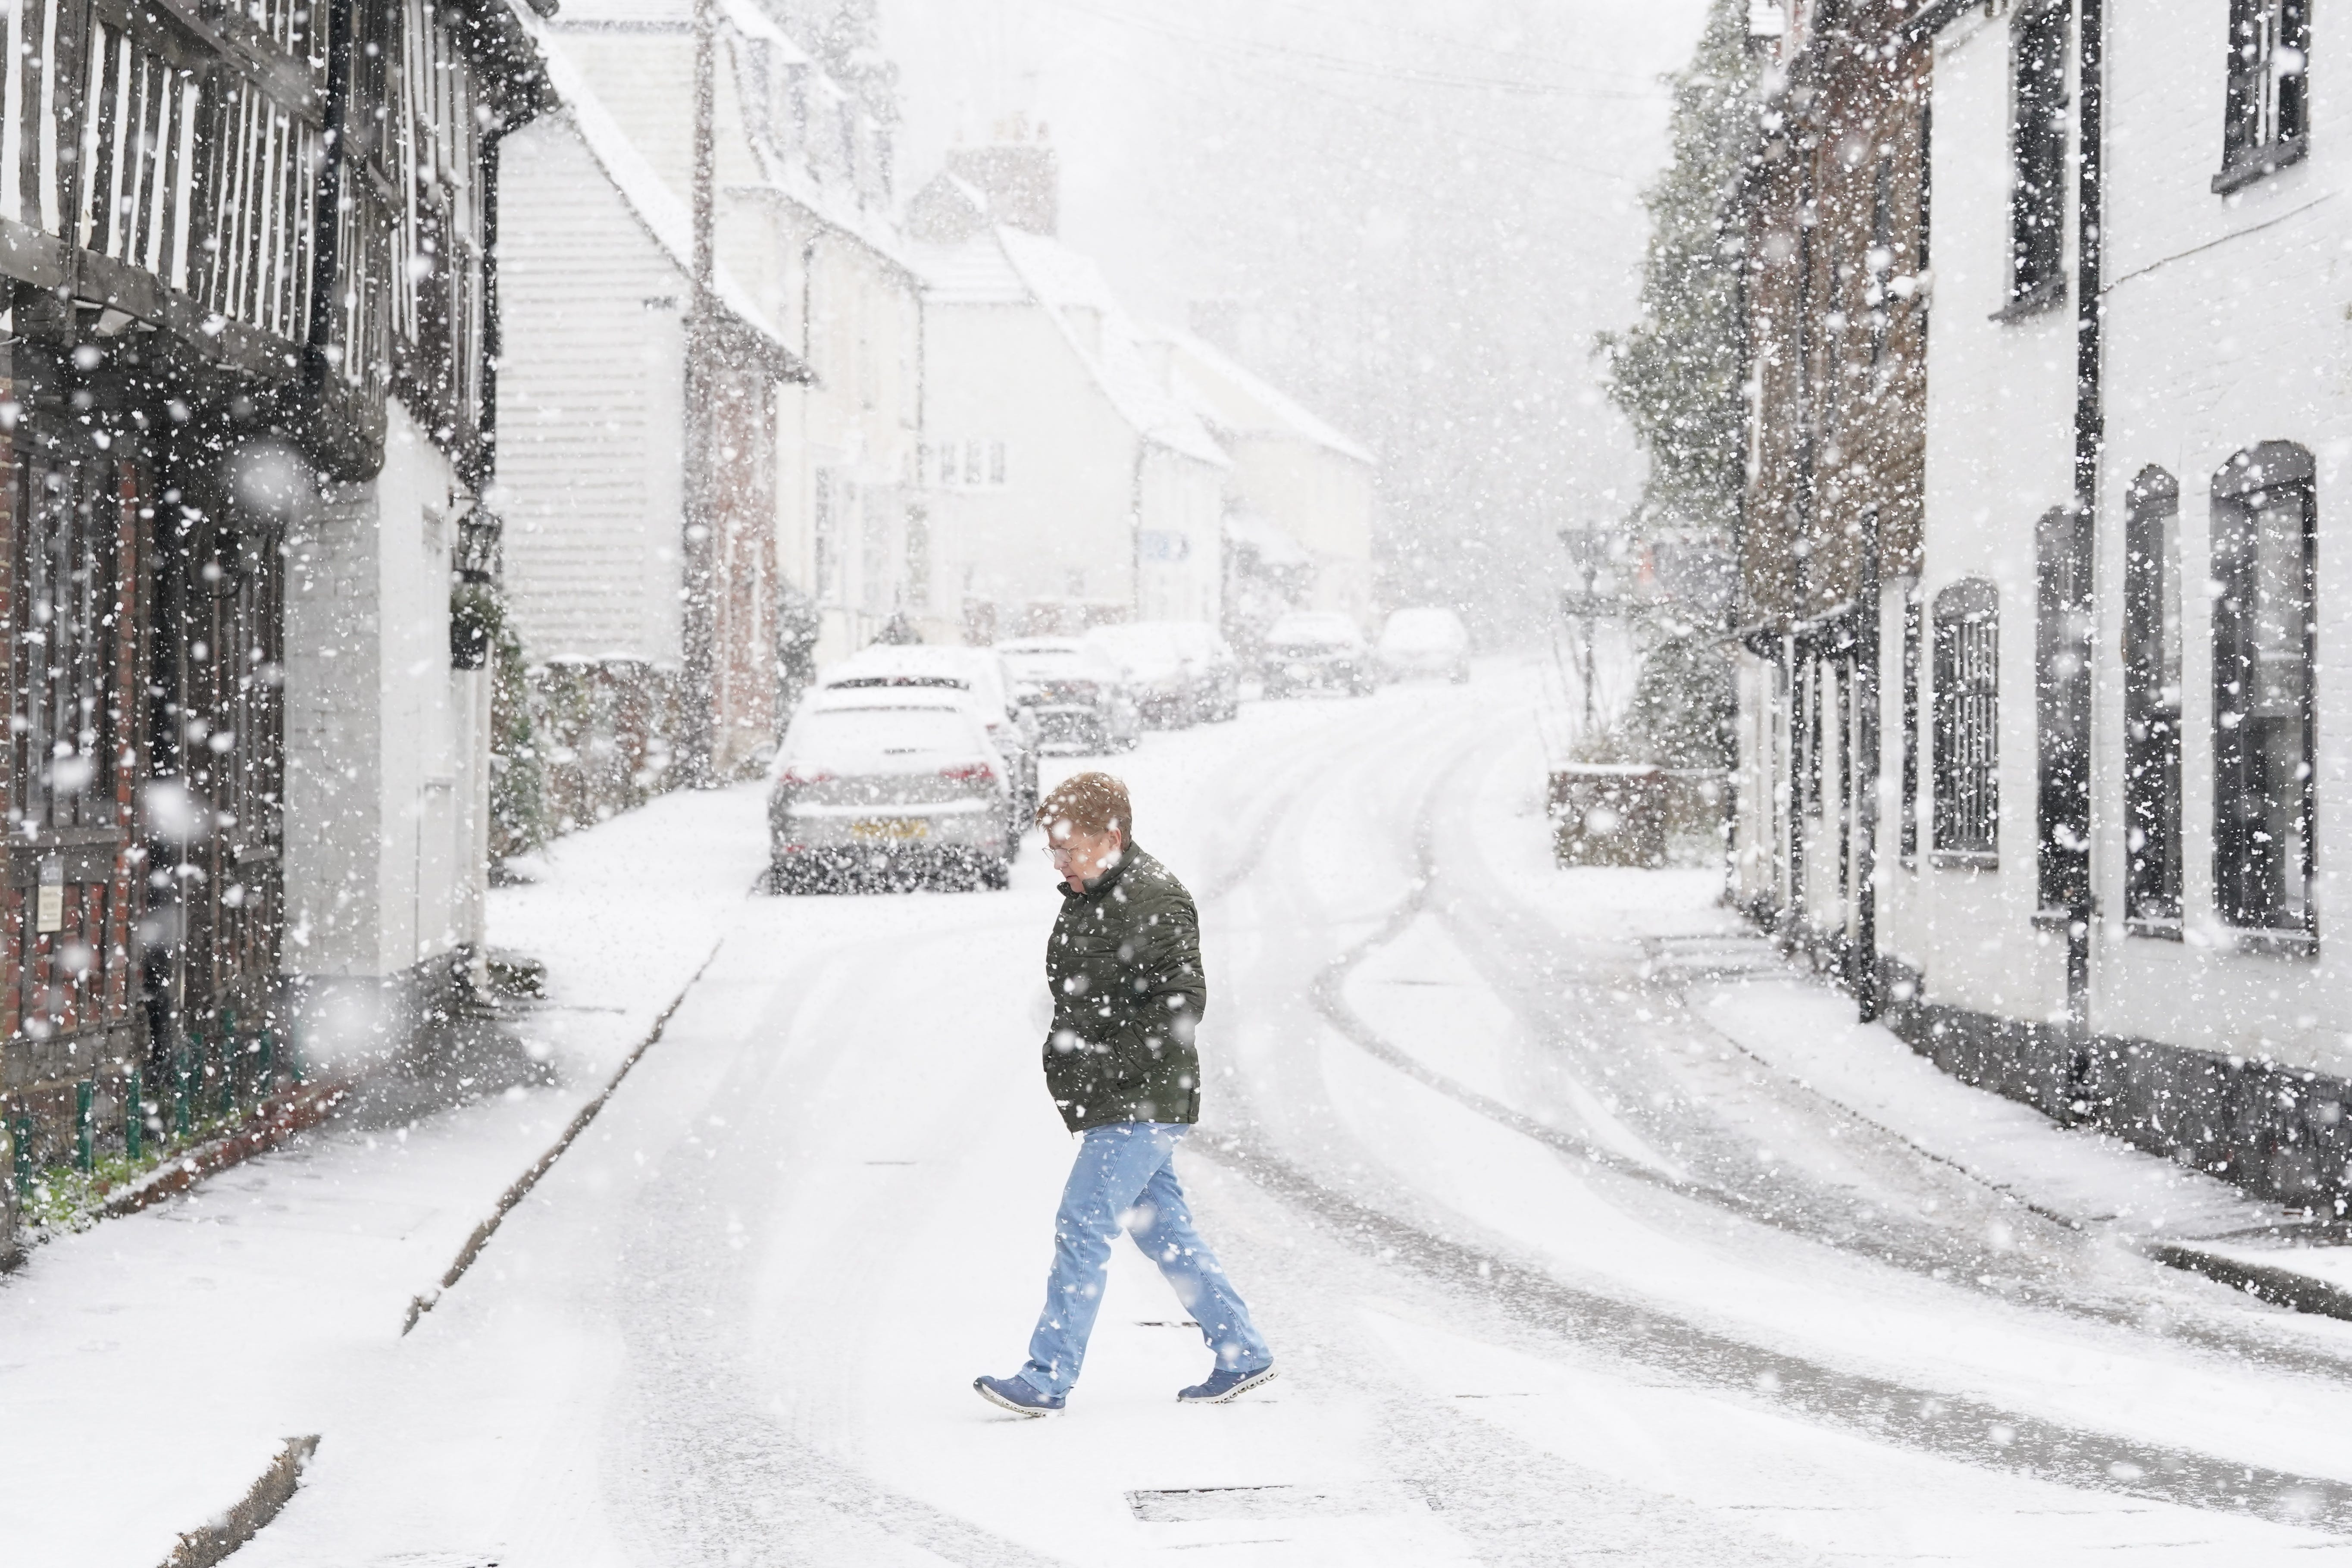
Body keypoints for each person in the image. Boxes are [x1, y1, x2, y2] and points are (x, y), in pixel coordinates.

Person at [975, 772, 1276, 1415]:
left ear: (1112, 837)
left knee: (1082, 1222)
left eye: (1070, 849)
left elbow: (1181, 1004)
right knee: (1164, 1229)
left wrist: (1107, 1063)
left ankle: (1048, 1375)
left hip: (1143, 1098)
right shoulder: (1094, 892)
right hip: (1120, 1095)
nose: (1059, 863)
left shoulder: (1154, 899)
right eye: (1053, 850)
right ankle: (1243, 1351)